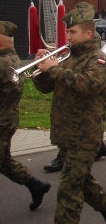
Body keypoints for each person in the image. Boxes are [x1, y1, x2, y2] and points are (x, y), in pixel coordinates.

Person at [33, 2, 106, 224]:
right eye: (67, 32)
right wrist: (41, 68)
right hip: (65, 132)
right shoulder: (69, 57)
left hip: (84, 135)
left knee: (69, 191)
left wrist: (55, 69)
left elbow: (88, 86)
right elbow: (45, 88)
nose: (68, 37)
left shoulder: (98, 59)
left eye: (72, 32)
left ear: (88, 33)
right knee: (82, 180)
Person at [0, 21, 51, 211]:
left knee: (3, 160)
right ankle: (36, 185)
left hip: (3, 119)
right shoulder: (9, 59)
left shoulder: (5, 62)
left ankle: (35, 185)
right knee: (3, 161)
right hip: (7, 116)